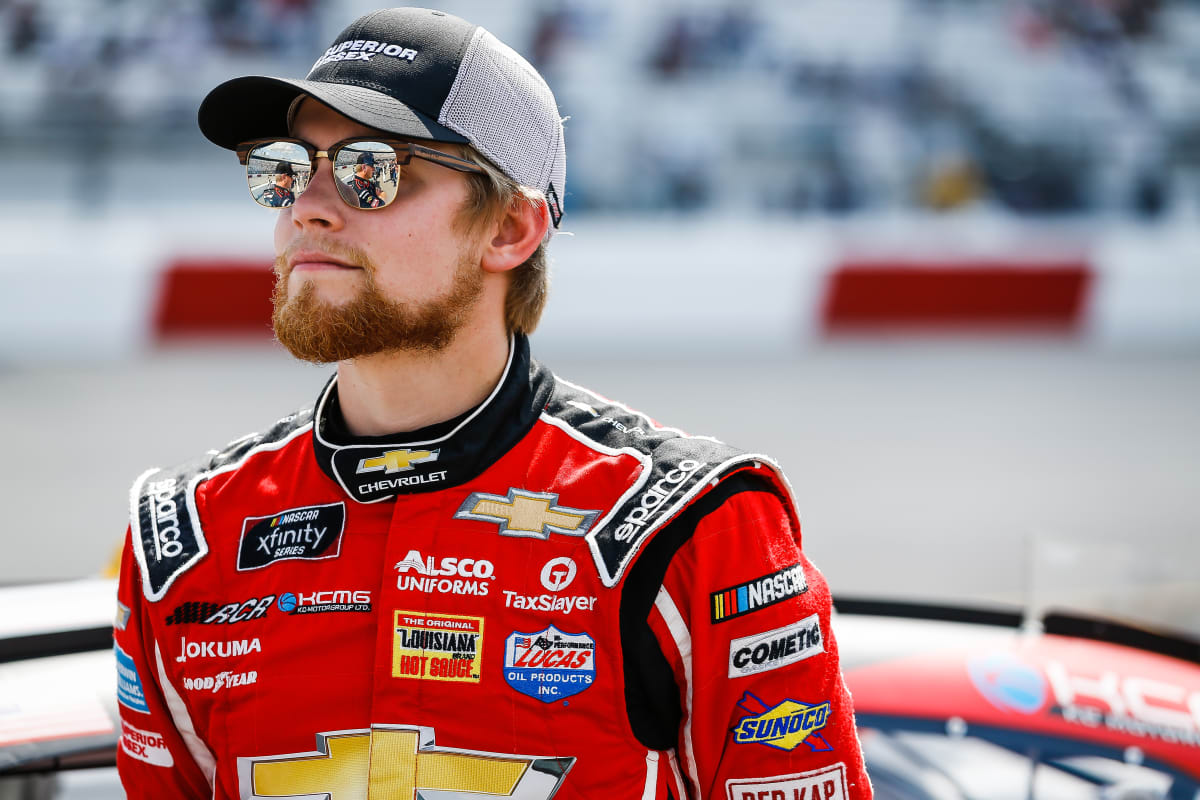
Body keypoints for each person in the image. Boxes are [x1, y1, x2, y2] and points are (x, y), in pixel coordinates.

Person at [113, 7, 872, 800]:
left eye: (373, 169)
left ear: (510, 227)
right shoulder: (184, 542)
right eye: (287, 169)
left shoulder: (692, 531)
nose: (307, 206)